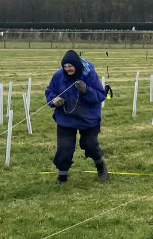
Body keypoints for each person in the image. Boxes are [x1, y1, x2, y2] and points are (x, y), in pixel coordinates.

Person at [46, 50, 108, 184]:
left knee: (90, 145)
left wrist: (87, 90)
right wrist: (53, 100)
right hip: (65, 118)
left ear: (77, 65)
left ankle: (101, 166)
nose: (67, 68)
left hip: (88, 118)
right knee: (64, 149)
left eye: (70, 65)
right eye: (65, 66)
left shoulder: (89, 75)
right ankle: (62, 176)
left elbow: (100, 95)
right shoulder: (58, 76)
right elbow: (50, 91)